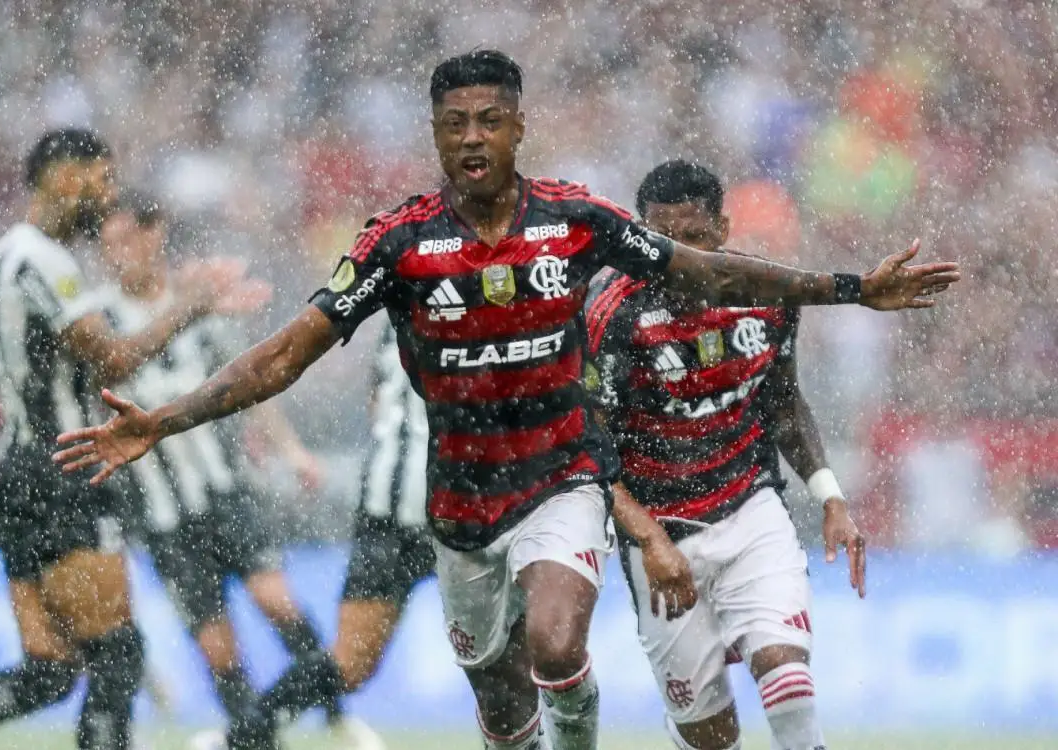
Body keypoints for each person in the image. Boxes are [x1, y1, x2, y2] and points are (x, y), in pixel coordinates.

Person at [52, 51, 957, 750]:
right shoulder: (395, 246)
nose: (473, 137)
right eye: (455, 124)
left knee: (558, 643)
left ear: (519, 127)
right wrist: (165, 421)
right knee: (498, 693)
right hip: (460, 506)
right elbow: (289, 352)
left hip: (561, 480)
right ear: (436, 135)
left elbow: (707, 269)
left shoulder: (574, 221)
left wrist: (847, 288)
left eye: (490, 120)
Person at [0, 128, 245, 750]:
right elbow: (113, 359)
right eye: (102, 181)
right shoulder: (39, 257)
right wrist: (191, 305)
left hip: (24, 472)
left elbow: (31, 369)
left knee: (50, 671)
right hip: (58, 473)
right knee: (119, 654)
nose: (110, 196)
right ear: (65, 178)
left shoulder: (15, 256)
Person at [585, 160, 869, 750]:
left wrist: (830, 495)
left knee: (787, 678)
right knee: (710, 735)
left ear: (722, 229)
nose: (678, 256)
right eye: (662, 240)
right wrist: (650, 538)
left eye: (693, 238)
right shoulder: (612, 315)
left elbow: (785, 405)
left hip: (750, 512)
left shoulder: (765, 296)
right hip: (660, 536)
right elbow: (590, 454)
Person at [95, 192, 379, 749]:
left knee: (278, 603)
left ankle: (336, 719)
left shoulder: (198, 307)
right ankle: (254, 739)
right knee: (218, 650)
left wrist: (291, 451)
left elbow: (249, 387)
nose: (117, 254)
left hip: (227, 495)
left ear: (155, 237)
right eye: (108, 245)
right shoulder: (100, 320)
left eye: (127, 239)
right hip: (164, 518)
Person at [238, 315, 433, 749]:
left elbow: (376, 401)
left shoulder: (405, 304)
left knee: (515, 652)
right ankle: (246, 735)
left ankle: (245, 734)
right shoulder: (449, 293)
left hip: (417, 505)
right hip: (410, 509)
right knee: (351, 662)